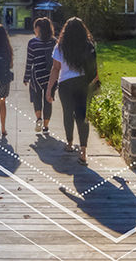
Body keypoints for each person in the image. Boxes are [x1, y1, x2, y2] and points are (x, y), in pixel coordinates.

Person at [46, 17, 98, 166]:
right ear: (83, 30)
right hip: (82, 83)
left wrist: (49, 89)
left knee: (68, 114)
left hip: (65, 85)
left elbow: (55, 69)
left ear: (65, 31)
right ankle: (83, 151)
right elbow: (93, 68)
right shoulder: (88, 45)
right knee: (82, 116)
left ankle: (69, 143)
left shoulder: (60, 46)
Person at [23, 17, 56, 134]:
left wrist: (26, 77)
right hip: (51, 76)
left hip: (36, 76)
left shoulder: (32, 43)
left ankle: (38, 119)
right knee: (49, 100)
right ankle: (46, 127)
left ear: (38, 28)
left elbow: (29, 61)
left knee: (37, 99)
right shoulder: (54, 42)